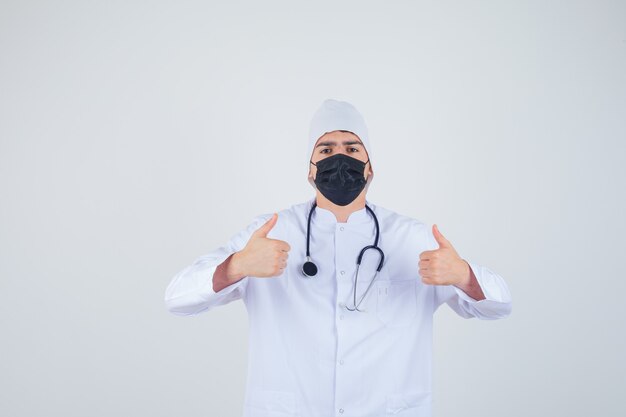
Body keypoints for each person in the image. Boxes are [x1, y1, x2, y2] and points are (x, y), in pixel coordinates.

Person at [164, 98, 512, 417]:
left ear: (370, 167)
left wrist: (464, 275)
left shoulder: (412, 238)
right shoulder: (270, 232)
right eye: (326, 149)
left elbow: (499, 305)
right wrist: (235, 266)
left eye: (352, 148)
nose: (339, 158)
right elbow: (176, 299)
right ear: (310, 170)